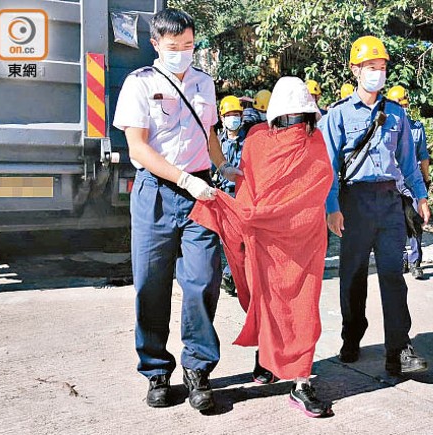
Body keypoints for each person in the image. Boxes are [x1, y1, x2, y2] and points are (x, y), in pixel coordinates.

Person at [112, 8, 241, 410]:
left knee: (202, 282)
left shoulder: (204, 82)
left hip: (201, 192)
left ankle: (198, 369)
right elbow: (138, 147)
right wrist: (183, 179)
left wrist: (223, 167)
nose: (182, 53)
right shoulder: (139, 84)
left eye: (188, 45)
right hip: (156, 191)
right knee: (151, 285)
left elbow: (210, 132)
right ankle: (156, 372)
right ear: (155, 44)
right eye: (173, 47)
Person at [190, 76, 334, 418]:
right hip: (276, 242)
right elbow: (253, 188)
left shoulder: (307, 144)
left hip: (298, 243)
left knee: (297, 311)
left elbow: (317, 186)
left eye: (301, 120)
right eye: (292, 120)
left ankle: (299, 380)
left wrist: (241, 210)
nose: (297, 126)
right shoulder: (264, 143)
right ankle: (275, 366)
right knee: (276, 305)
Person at [319, 35, 430, 376]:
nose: (377, 74)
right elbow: (328, 167)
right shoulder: (337, 116)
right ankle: (351, 337)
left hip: (389, 202)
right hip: (354, 201)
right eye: (371, 67)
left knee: (393, 277)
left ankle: (399, 349)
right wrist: (332, 207)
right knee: (352, 277)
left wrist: (421, 196)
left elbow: (408, 162)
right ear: (355, 70)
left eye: (381, 68)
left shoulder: (396, 114)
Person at [387, 85, 430, 280]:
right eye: (398, 104)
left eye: (403, 104)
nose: (401, 108)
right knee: (395, 225)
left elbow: (423, 156)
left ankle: (415, 262)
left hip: (411, 182)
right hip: (390, 183)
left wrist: (426, 180)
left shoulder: (417, 128)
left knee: (415, 222)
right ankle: (401, 259)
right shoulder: (383, 129)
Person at [216, 95, 249, 296]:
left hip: (244, 196)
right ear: (222, 118)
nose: (233, 119)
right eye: (229, 115)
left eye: (236, 114)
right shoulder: (216, 143)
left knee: (243, 239)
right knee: (227, 240)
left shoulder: (250, 141)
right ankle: (230, 275)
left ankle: (236, 276)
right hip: (223, 196)